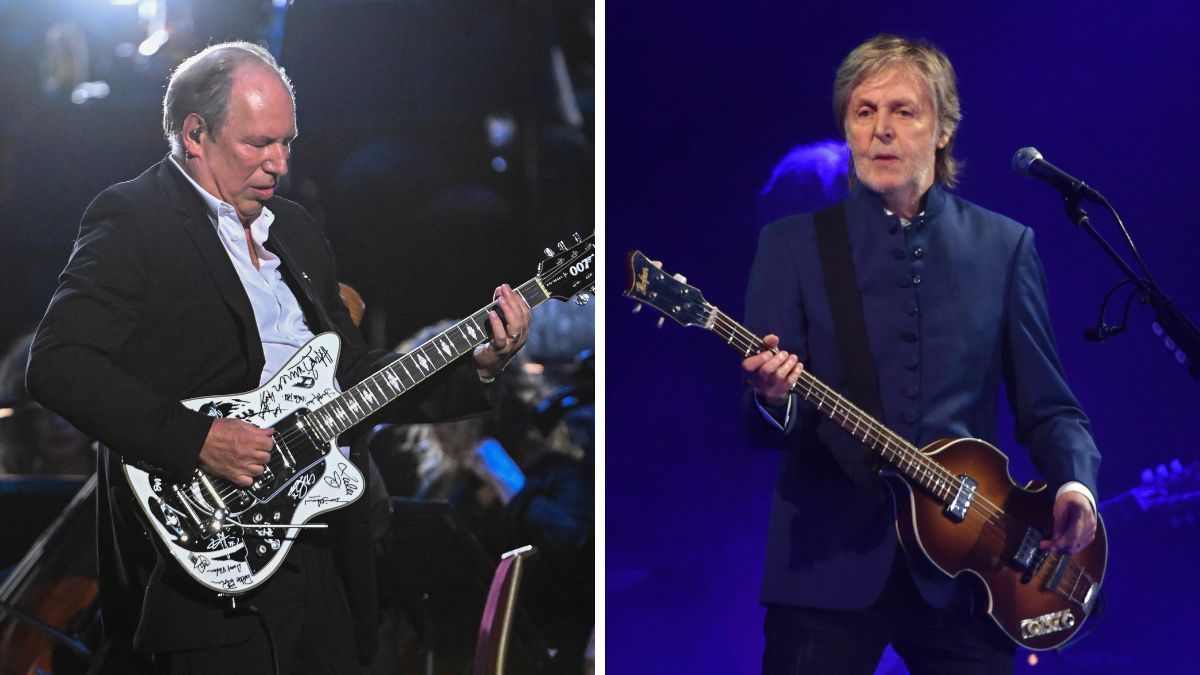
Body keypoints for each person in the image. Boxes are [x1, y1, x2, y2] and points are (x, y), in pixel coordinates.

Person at [25, 41, 531, 674]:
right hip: (211, 561)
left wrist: (476, 363)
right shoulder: (134, 220)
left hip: (323, 550)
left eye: (287, 142)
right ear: (195, 134)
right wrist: (198, 439)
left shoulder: (291, 229)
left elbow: (348, 378)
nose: (279, 164)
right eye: (258, 143)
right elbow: (58, 363)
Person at [740, 35, 1100, 674]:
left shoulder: (1004, 246)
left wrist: (1075, 482)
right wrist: (771, 401)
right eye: (863, 111)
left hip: (974, 572)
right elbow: (759, 425)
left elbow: (1049, 407)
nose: (881, 130)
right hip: (826, 566)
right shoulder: (792, 246)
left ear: (942, 129)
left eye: (902, 111)